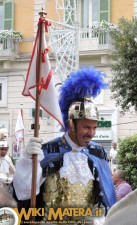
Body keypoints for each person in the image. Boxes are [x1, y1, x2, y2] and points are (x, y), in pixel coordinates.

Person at [13, 67, 117, 221]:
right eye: (86, 127)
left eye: (94, 127)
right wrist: (28, 161)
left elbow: (105, 197)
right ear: (71, 124)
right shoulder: (49, 150)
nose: (91, 133)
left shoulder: (97, 151)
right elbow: (23, 192)